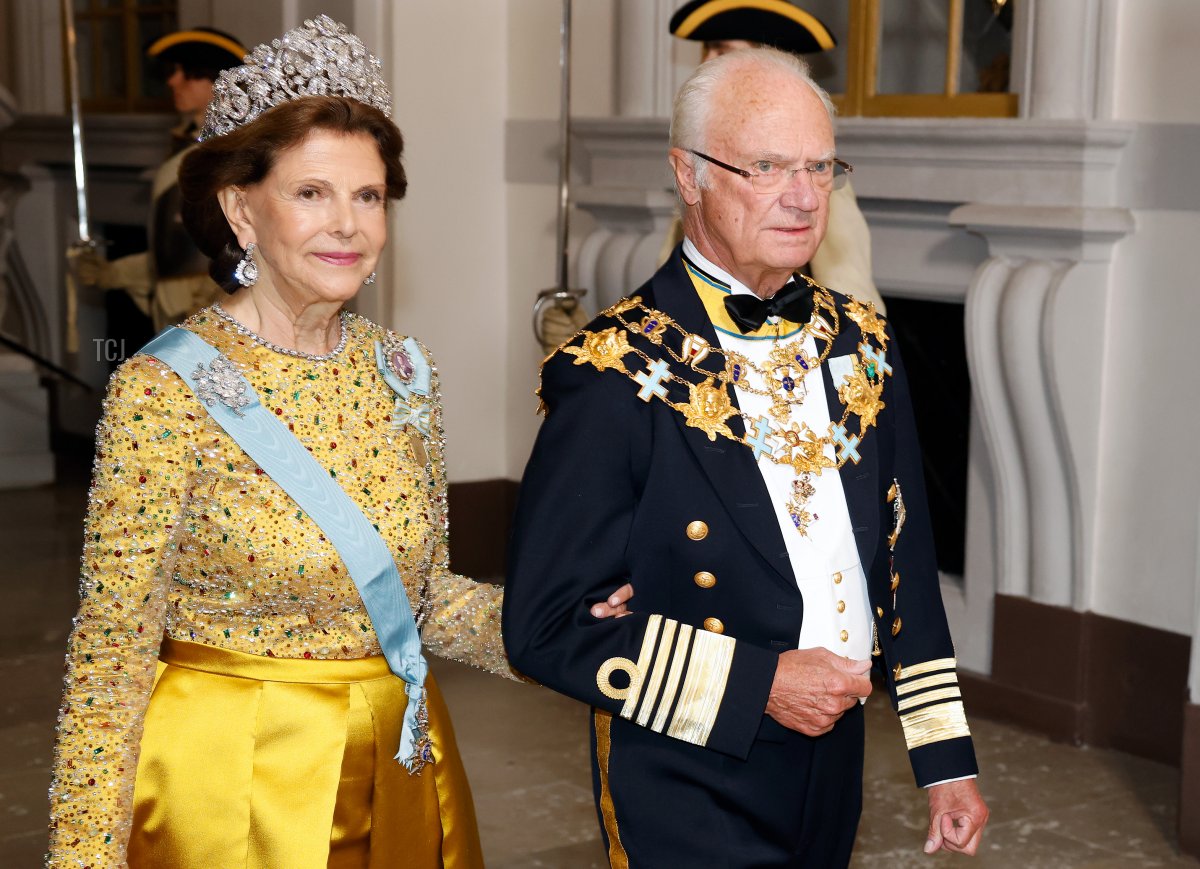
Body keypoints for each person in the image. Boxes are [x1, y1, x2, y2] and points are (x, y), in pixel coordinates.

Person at [46, 16, 629, 868]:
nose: (348, 225)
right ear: (242, 208)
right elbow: (110, 655)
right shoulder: (161, 391)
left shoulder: (405, 370)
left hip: (396, 761)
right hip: (233, 785)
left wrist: (571, 629)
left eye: (368, 195)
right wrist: (82, 856)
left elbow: (424, 599)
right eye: (312, 193)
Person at [504, 47, 988, 867]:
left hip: (835, 760)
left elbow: (905, 563)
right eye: (766, 167)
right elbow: (543, 626)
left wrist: (944, 757)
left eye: (819, 167)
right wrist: (757, 683)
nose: (804, 197)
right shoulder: (613, 371)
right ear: (689, 174)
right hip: (688, 767)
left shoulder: (861, 341)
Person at [535, 0, 883, 358]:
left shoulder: (816, 187)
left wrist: (850, 375)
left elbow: (853, 304)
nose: (705, 63)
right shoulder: (705, 162)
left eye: (722, 52)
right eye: (706, 51)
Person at [79, 27, 245, 341]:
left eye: (186, 73)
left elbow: (235, 247)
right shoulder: (185, 149)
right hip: (174, 315)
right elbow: (174, 253)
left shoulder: (231, 156)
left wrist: (213, 299)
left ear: (217, 81)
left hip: (216, 318)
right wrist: (113, 274)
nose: (172, 81)